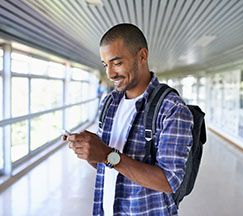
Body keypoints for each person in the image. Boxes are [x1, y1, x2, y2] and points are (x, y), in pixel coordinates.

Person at [66, 23, 193, 216]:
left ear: (142, 56)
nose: (110, 73)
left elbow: (170, 181)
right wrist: (91, 152)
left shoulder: (171, 108)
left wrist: (108, 154)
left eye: (117, 63)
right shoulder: (109, 102)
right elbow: (109, 165)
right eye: (105, 65)